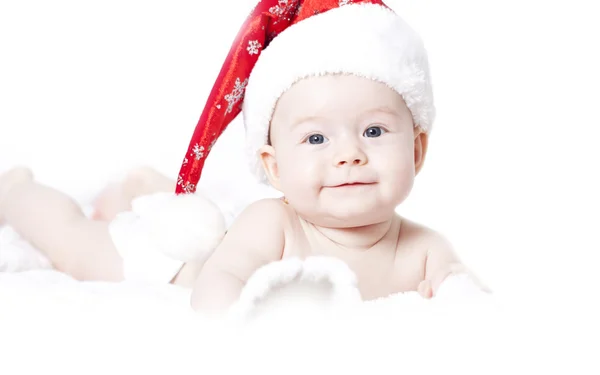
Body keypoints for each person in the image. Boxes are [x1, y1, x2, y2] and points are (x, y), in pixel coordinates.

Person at [0, 0, 488, 314]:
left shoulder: (424, 248)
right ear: (273, 166)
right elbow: (216, 284)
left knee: (186, 212)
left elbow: (464, 297)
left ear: (417, 149)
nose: (349, 156)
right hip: (172, 263)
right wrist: (239, 329)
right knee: (75, 244)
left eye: (374, 131)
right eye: (317, 139)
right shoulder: (273, 223)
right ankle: (19, 191)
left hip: (216, 231)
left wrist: (456, 293)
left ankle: (142, 186)